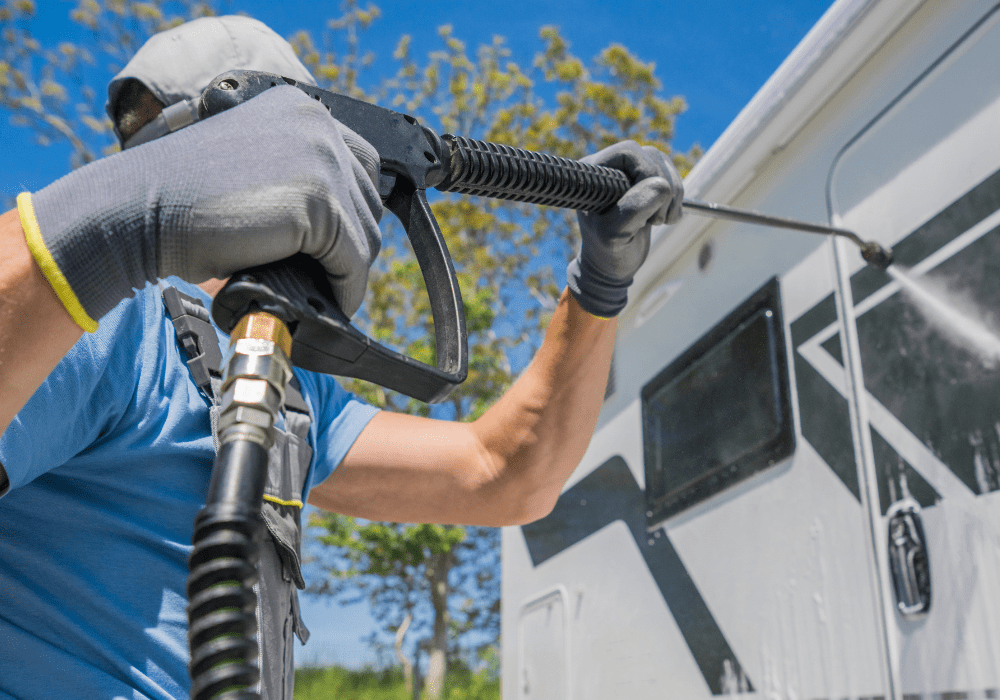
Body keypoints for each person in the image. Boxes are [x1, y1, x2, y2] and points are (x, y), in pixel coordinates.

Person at [0, 15, 683, 700]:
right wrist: (111, 229)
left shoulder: (281, 387)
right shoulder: (109, 322)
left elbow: (503, 474)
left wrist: (597, 288)